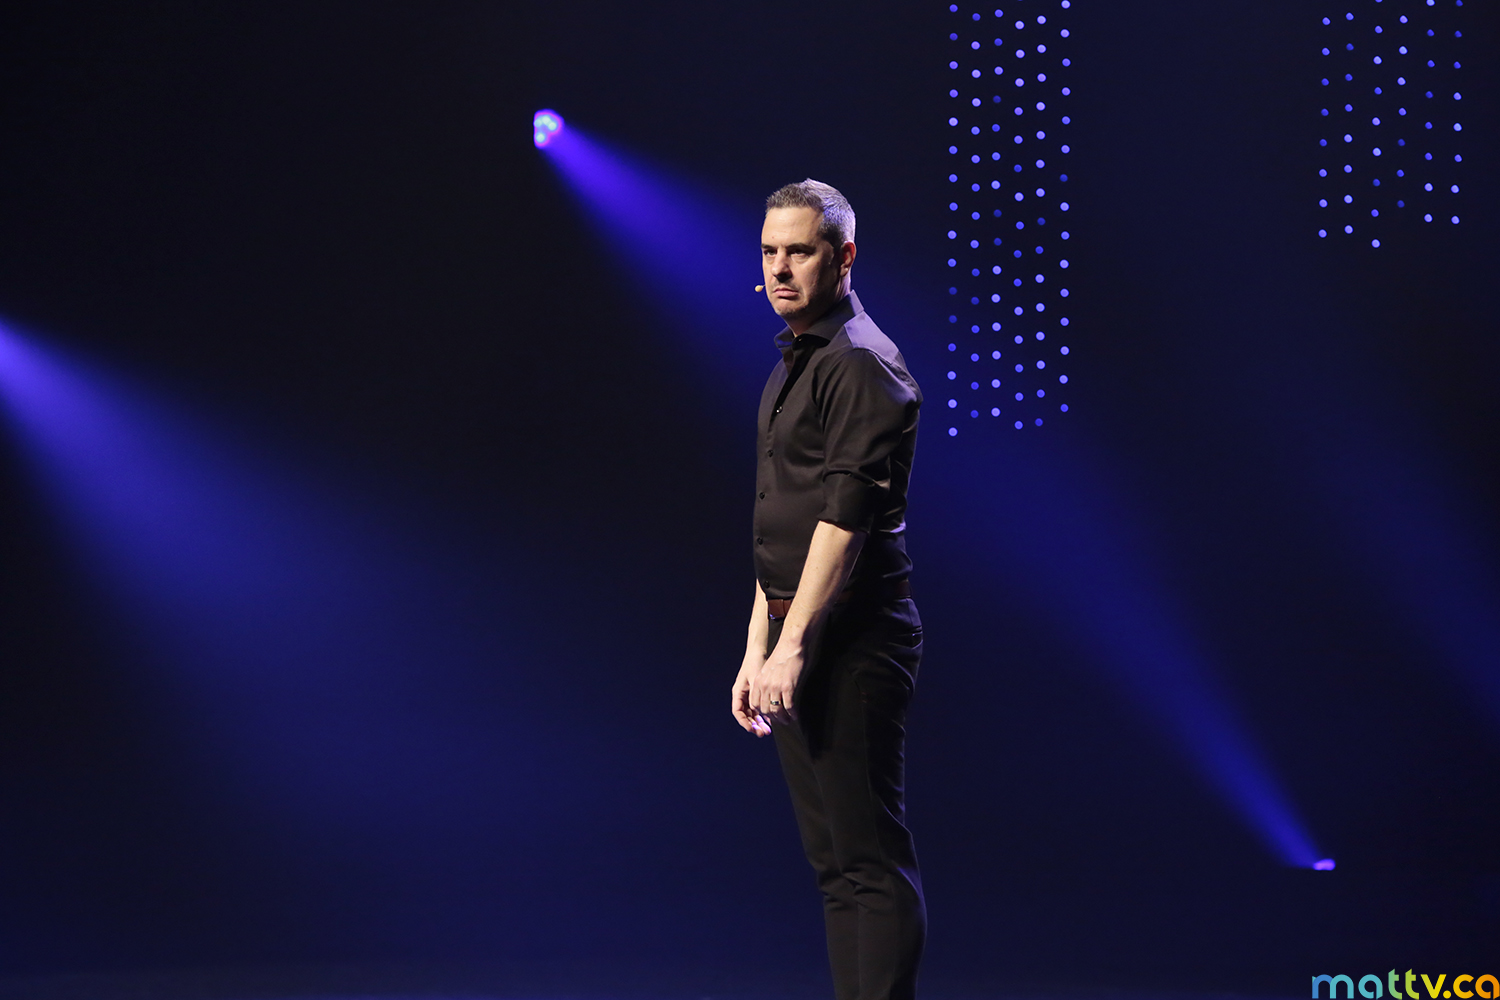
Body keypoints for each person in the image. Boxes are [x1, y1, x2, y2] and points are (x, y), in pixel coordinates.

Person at [731, 179, 926, 1000]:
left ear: (843, 258)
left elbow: (843, 522)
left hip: (853, 639)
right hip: (799, 634)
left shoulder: (860, 362)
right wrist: (757, 650)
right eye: (769, 252)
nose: (780, 269)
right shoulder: (798, 361)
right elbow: (780, 520)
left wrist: (793, 646)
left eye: (799, 252)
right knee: (835, 866)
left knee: (867, 860)